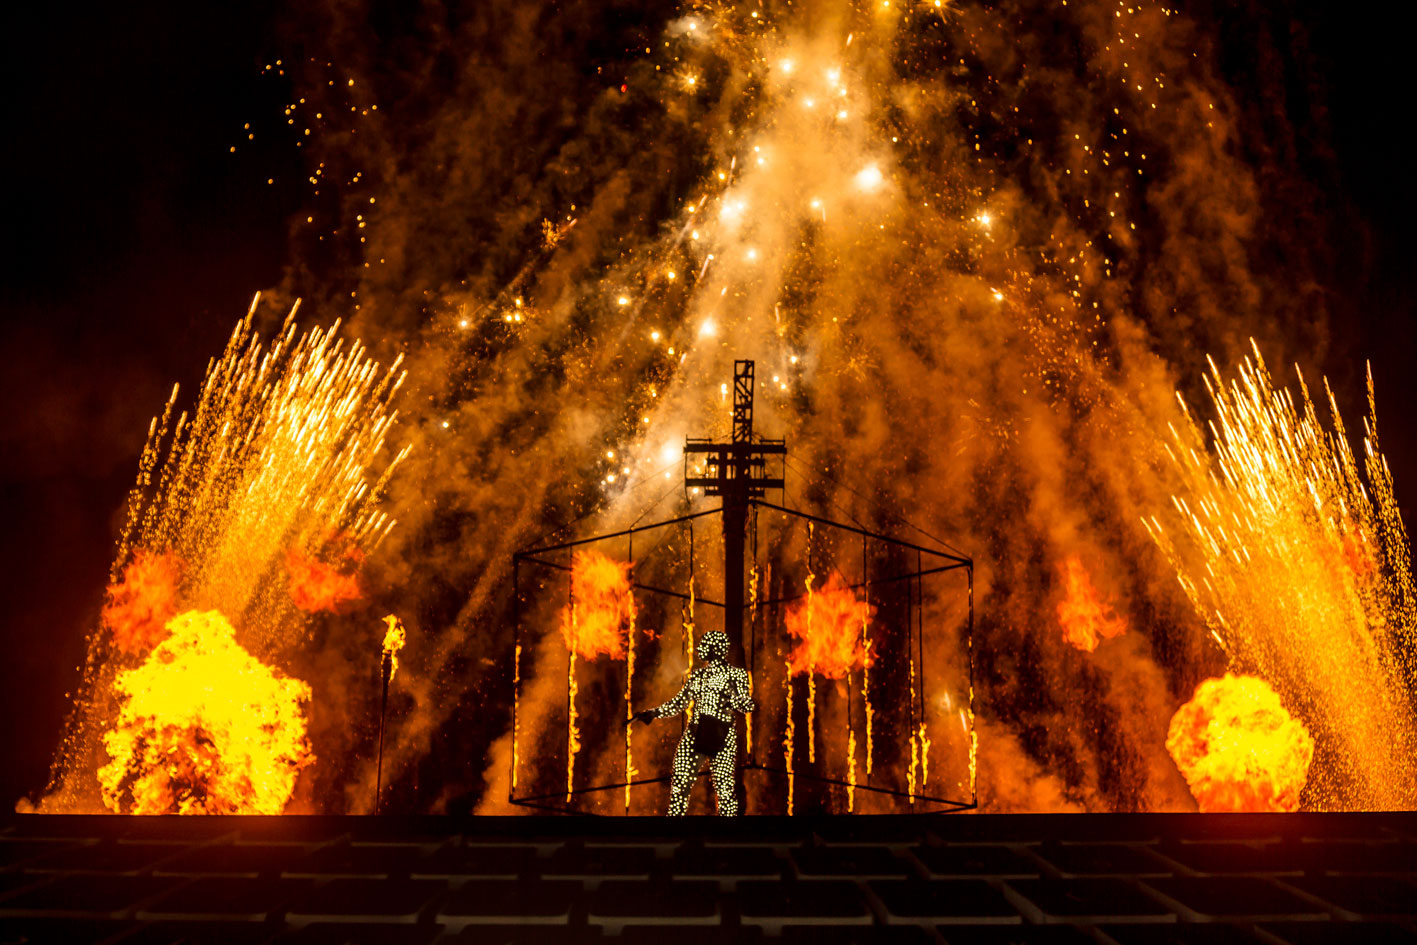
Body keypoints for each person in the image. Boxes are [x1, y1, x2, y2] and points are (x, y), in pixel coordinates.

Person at [630, 630, 755, 815]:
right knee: (680, 782)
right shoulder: (698, 676)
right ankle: (675, 826)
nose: (700, 648)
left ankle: (728, 833)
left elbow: (746, 703)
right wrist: (654, 713)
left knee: (724, 788)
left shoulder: (736, 675)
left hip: (721, 735)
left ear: (715, 649)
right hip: (696, 732)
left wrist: (735, 700)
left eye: (704, 645)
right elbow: (679, 703)